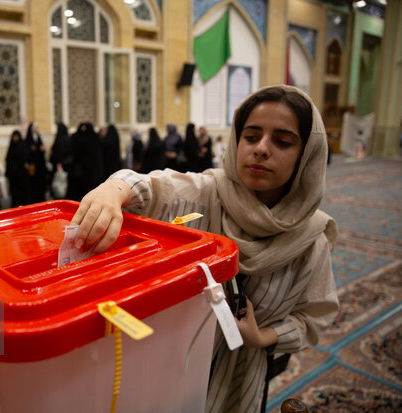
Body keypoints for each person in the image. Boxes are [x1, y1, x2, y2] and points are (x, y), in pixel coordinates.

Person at [70, 85, 339, 413]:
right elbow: (152, 186)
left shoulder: (311, 237)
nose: (261, 149)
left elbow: (313, 316)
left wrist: (261, 336)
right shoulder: (209, 193)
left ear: (306, 156)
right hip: (169, 365)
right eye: (251, 137)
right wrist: (111, 191)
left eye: (282, 142)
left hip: (242, 378)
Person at [66, 122, 104, 201]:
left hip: (85, 170)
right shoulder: (95, 138)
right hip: (95, 171)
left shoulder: (80, 139)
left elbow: (76, 154)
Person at [5, 130, 31, 207]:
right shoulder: (11, 146)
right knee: (14, 192)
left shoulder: (23, 145)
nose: (15, 138)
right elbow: (8, 158)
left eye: (16, 137)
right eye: (14, 137)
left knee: (22, 191)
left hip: (21, 173)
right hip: (13, 174)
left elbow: (25, 157)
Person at [25, 122, 49, 203]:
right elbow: (27, 150)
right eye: (35, 128)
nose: (36, 129)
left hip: (40, 165)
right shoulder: (28, 139)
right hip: (33, 165)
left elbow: (41, 148)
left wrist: (40, 149)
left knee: (40, 184)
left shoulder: (38, 136)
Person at [49, 122, 71, 199]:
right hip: (67, 165)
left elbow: (57, 153)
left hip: (60, 165)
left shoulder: (59, 139)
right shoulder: (68, 138)